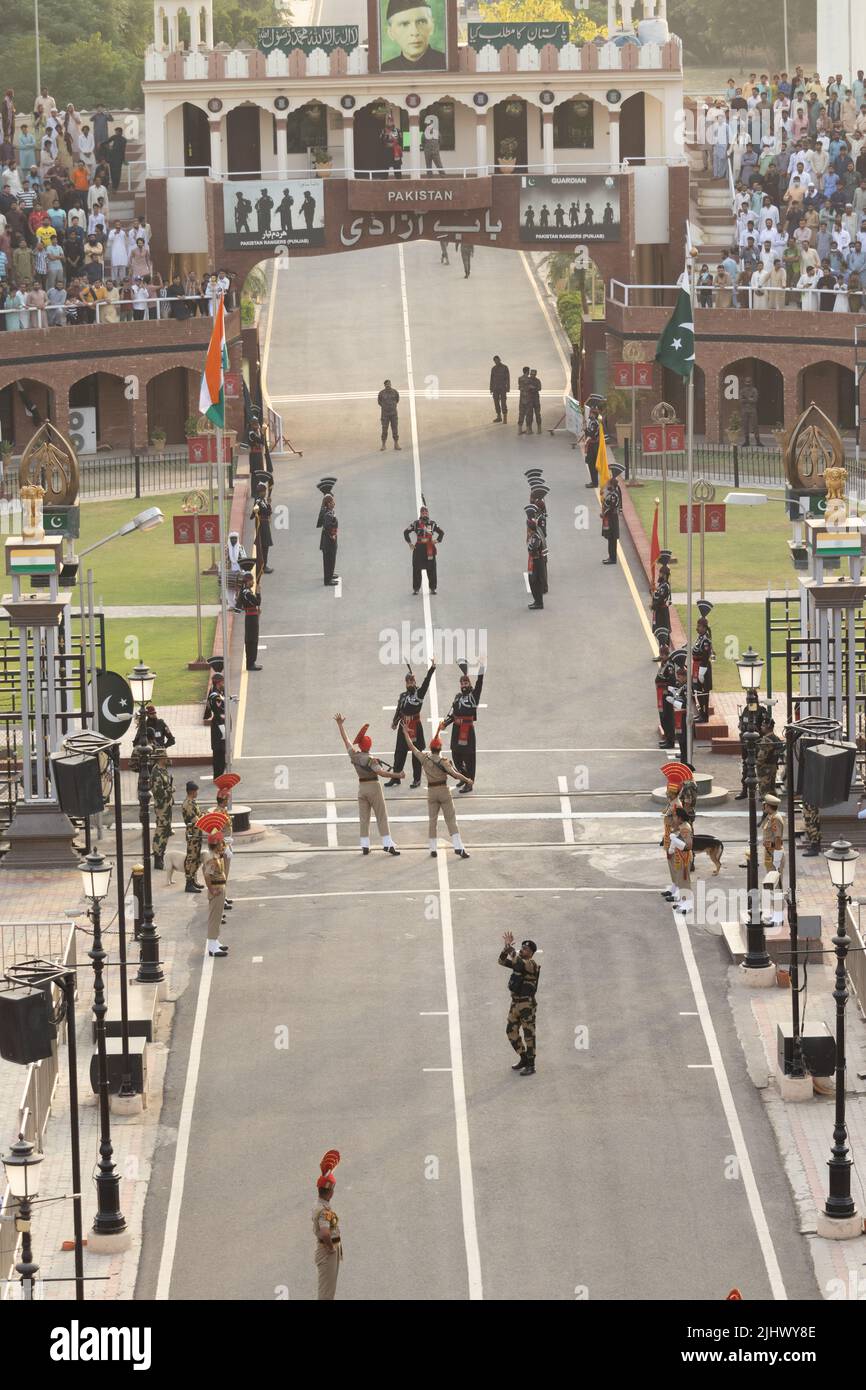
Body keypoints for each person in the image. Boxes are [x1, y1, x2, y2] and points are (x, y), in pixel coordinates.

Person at [334, 714, 402, 854]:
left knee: (364, 817)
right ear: (369, 745)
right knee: (381, 815)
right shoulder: (371, 759)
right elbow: (381, 773)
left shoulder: (354, 755)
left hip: (362, 788)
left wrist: (340, 725)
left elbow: (346, 740)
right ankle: (387, 843)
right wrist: (397, 775)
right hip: (373, 787)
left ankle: (365, 845)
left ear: (360, 745)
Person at [403, 720, 471, 856]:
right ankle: (458, 847)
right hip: (443, 791)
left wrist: (405, 732)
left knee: (432, 820)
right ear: (440, 749)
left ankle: (433, 849)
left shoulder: (424, 758)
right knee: (451, 819)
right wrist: (467, 779)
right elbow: (455, 775)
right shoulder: (443, 762)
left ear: (431, 748)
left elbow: (411, 746)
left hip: (431, 792)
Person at [387, 660, 435, 787]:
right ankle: (396, 777)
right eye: (407, 682)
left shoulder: (419, 694)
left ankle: (417, 779)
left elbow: (426, 682)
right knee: (399, 752)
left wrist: (431, 669)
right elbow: (399, 710)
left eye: (411, 681)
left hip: (415, 726)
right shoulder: (403, 695)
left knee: (416, 754)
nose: (409, 683)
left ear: (415, 682)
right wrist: (395, 722)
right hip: (403, 726)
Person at [498, 932, 540, 1077]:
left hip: (527, 1006)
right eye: (522, 947)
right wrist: (506, 949)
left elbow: (519, 963)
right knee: (511, 1031)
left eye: (526, 949)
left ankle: (531, 1064)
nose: (522, 950)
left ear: (532, 953)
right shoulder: (518, 963)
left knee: (529, 1035)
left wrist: (511, 949)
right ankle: (523, 1058)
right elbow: (501, 961)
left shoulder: (530, 965)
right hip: (515, 1003)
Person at [441, 661, 485, 791]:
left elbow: (480, 683)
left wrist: (481, 668)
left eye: (466, 683)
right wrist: (446, 723)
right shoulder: (458, 697)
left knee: (469, 757)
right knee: (456, 755)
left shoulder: (473, 696)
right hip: (456, 729)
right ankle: (463, 776)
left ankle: (469, 782)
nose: (464, 685)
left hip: (467, 729)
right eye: (462, 683)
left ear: (469, 684)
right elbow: (454, 714)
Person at [382, 1, 446, 73]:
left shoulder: (447, 64)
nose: (415, 32)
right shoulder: (385, 70)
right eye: (404, 24)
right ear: (390, 33)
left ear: (432, 27)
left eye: (421, 22)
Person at [313, 1160, 342, 1300]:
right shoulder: (323, 1210)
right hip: (327, 1252)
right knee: (326, 1293)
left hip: (327, 1250)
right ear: (330, 1192)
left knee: (328, 1290)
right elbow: (325, 1232)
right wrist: (331, 1248)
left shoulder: (320, 1205)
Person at [200, 829, 229, 957]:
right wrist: (212, 890)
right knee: (214, 918)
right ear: (216, 844)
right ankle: (212, 946)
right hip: (216, 890)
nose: (222, 845)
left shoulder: (214, 855)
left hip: (220, 888)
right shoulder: (212, 858)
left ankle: (215, 941)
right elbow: (207, 875)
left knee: (217, 917)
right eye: (221, 843)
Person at [404, 504, 443, 595]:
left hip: (429, 547)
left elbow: (441, 532)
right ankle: (416, 588)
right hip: (419, 549)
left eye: (426, 512)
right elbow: (406, 532)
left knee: (432, 568)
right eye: (423, 513)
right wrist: (410, 543)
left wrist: (437, 540)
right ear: (420, 514)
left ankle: (433, 588)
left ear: (428, 514)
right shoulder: (416, 524)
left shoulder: (433, 524)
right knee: (416, 568)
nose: (425, 514)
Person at [150, 751, 174, 871]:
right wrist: (170, 790)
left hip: (167, 805)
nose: (167, 758)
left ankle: (161, 853)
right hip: (161, 806)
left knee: (166, 830)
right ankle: (157, 856)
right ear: (161, 758)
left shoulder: (163, 770)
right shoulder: (156, 772)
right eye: (165, 756)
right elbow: (158, 792)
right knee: (161, 830)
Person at [237, 571, 262, 671]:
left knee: (251, 639)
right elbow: (257, 602)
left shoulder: (245, 591)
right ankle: (251, 663)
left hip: (251, 616)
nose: (253, 583)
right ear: (248, 581)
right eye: (252, 581)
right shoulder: (246, 592)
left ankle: (251, 662)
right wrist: (258, 592)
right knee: (252, 640)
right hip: (251, 618)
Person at [182, 781, 204, 893]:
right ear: (191, 791)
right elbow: (196, 820)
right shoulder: (188, 804)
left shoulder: (192, 803)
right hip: (193, 835)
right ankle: (188, 883)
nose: (197, 793)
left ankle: (193, 880)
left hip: (196, 834)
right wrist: (206, 821)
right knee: (191, 858)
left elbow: (199, 815)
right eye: (196, 791)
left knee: (196, 858)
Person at [204, 672, 226, 779]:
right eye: (222, 681)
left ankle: (219, 774)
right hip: (219, 725)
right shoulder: (215, 696)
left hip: (220, 724)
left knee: (221, 750)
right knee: (219, 751)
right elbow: (219, 711)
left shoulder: (217, 692)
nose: (223, 683)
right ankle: (218, 775)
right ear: (218, 682)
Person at [756, 716, 784, 799]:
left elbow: (761, 757)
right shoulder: (776, 738)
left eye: (763, 725)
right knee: (771, 790)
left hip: (765, 769)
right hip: (773, 766)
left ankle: (767, 809)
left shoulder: (767, 740)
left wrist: (756, 764)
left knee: (765, 792)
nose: (761, 727)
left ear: (767, 727)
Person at [250, 480, 274, 580]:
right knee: (264, 546)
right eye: (263, 491)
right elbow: (268, 512)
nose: (264, 493)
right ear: (260, 492)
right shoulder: (260, 502)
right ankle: (263, 566)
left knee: (265, 546)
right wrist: (269, 504)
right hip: (262, 526)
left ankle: (264, 565)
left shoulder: (261, 501)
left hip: (264, 525)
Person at [317, 490, 339, 585]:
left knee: (331, 558)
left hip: (329, 539)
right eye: (331, 502)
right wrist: (333, 534)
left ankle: (330, 574)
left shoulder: (328, 511)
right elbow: (328, 527)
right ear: (328, 504)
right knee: (328, 560)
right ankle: (327, 580)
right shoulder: (328, 514)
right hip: (328, 540)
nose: (333, 503)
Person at [526, 513, 546, 610]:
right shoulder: (536, 534)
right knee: (535, 581)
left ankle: (538, 602)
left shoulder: (535, 537)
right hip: (538, 561)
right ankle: (538, 601)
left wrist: (531, 552)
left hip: (536, 562)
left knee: (534, 582)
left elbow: (533, 549)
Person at [600, 477, 620, 564]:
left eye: (609, 484)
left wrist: (604, 514)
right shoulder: (612, 493)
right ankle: (611, 556)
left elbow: (611, 507)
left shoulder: (614, 495)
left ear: (612, 485)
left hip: (612, 518)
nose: (607, 485)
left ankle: (613, 558)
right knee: (610, 538)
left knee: (612, 538)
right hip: (610, 517)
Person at [740, 375, 763, 445]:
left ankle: (758, 441)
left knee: (755, 425)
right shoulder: (742, 391)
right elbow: (741, 400)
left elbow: (755, 400)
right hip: (744, 410)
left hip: (752, 410)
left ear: (751, 382)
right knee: (745, 425)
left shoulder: (754, 390)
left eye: (749, 382)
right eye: (747, 382)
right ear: (744, 382)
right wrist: (749, 399)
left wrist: (746, 399)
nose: (748, 383)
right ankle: (746, 441)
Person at [378, 378, 400, 450]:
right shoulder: (381, 393)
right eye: (386, 385)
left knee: (395, 429)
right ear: (384, 385)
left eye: (389, 384)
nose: (388, 386)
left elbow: (397, 400)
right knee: (384, 430)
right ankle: (383, 444)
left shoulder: (395, 392)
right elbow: (379, 402)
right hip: (385, 415)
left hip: (393, 414)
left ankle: (396, 444)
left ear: (390, 384)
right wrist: (385, 407)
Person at [104, 127, 127, 192]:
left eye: (117, 132)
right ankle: (114, 187)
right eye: (116, 132)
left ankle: (115, 187)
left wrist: (123, 159)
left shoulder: (124, 140)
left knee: (117, 174)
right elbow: (107, 141)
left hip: (119, 159)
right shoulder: (114, 137)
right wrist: (102, 144)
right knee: (112, 173)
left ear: (121, 132)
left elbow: (123, 150)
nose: (116, 133)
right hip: (112, 159)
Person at [583, 402, 600, 485]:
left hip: (594, 445)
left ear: (594, 414)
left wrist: (585, 429)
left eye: (590, 413)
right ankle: (594, 481)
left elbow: (591, 434)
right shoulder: (592, 422)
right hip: (592, 445)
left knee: (592, 463)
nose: (589, 414)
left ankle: (595, 482)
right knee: (591, 463)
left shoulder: (594, 423)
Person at [489, 355, 510, 423]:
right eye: (495, 360)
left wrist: (508, 387)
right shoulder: (493, 368)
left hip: (503, 388)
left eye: (497, 360)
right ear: (494, 361)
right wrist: (491, 388)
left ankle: (505, 418)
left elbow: (508, 378)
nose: (496, 361)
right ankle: (499, 417)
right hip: (495, 388)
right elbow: (491, 379)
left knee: (503, 403)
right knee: (496, 402)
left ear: (499, 360)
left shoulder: (505, 367)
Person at [516, 366, 533, 435]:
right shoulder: (529, 380)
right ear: (527, 371)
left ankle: (519, 430)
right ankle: (528, 430)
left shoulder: (520, 378)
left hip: (522, 398)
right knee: (528, 414)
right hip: (528, 399)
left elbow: (520, 387)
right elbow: (531, 387)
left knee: (521, 414)